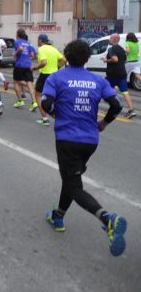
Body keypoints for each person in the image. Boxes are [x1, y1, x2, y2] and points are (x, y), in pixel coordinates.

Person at [41, 39, 127, 257]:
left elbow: (46, 104)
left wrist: (56, 115)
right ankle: (58, 216)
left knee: (73, 184)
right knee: (71, 179)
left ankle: (107, 219)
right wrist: (104, 123)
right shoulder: (97, 80)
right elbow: (117, 105)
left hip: (67, 138)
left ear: (66, 57)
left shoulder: (57, 77)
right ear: (88, 58)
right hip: (90, 140)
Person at [32, 34, 65, 126]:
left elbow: (43, 62)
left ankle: (45, 118)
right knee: (53, 96)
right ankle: (58, 115)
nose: (37, 42)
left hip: (45, 75)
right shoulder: (54, 49)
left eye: (37, 40)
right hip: (54, 75)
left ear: (40, 40)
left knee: (37, 95)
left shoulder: (41, 49)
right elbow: (64, 60)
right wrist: (57, 68)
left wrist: (35, 67)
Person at [103, 33, 136, 119]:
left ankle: (93, 106)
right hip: (122, 74)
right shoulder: (122, 49)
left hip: (112, 75)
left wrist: (106, 60)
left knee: (102, 89)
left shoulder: (111, 49)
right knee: (125, 92)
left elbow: (115, 59)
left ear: (114, 39)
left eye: (110, 38)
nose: (109, 39)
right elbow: (123, 60)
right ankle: (131, 110)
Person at [12, 28, 38, 111]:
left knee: (16, 82)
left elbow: (18, 51)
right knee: (30, 83)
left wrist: (16, 53)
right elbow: (35, 55)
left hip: (19, 65)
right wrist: (29, 57)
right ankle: (34, 102)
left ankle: (20, 101)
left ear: (17, 34)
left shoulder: (17, 42)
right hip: (28, 65)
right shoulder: (29, 44)